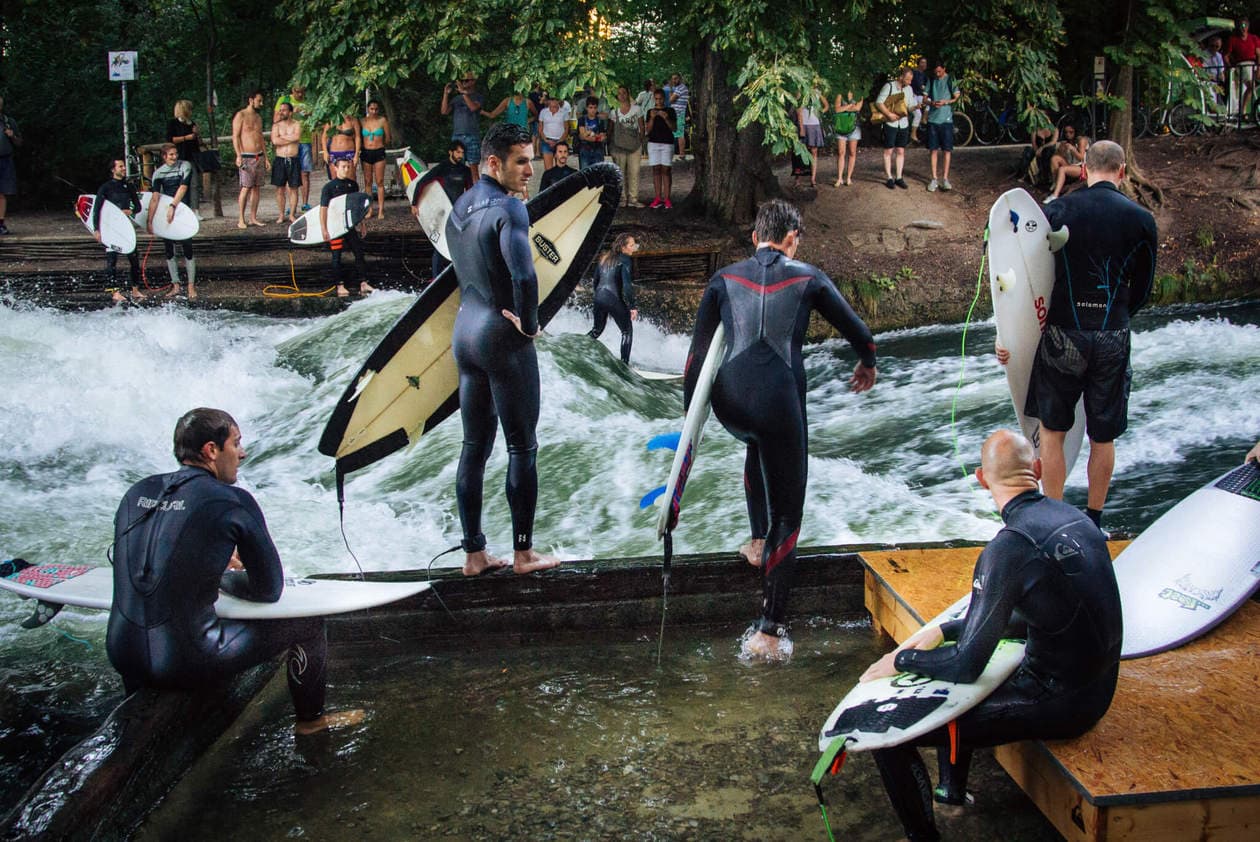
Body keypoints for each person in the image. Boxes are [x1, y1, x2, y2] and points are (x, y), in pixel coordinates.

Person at [860, 429, 1121, 842]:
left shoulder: (1008, 547)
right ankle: (951, 791)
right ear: (1037, 470)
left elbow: (966, 666)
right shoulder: (1075, 519)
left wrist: (901, 659)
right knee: (964, 663)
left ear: (981, 479)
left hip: (1062, 703)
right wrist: (943, 631)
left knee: (886, 735)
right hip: (1099, 687)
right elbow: (1026, 619)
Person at [685, 199, 877, 660]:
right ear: (792, 240)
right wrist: (867, 363)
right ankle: (769, 631)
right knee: (789, 516)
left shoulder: (723, 278)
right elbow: (861, 333)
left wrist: (691, 421)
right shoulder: (808, 276)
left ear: (754, 238)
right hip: (778, 401)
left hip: (730, 401)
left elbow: (695, 360)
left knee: (756, 444)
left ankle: (756, 542)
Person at [107, 407, 365, 736]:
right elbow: (268, 589)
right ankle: (312, 722)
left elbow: (146, 564)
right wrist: (225, 578)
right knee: (309, 624)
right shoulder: (232, 500)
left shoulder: (136, 492)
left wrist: (208, 565)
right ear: (211, 451)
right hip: (185, 659)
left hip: (122, 652)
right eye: (236, 443)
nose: (242, 454)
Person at [998, 141, 1157, 529]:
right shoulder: (1141, 219)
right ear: (1122, 172)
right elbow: (1144, 288)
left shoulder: (1058, 211)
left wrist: (1010, 334)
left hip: (1063, 335)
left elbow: (1028, 278)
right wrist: (1116, 315)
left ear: (1083, 169)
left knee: (1053, 433)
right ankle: (1095, 520)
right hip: (1112, 336)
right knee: (1103, 437)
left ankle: (1053, 521)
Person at [444, 122, 561, 577]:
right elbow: (525, 276)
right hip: (500, 335)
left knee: (474, 445)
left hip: (464, 335)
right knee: (521, 447)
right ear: (494, 163)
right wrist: (529, 326)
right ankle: (523, 554)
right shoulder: (510, 209)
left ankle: (473, 555)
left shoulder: (458, 208)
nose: (530, 170)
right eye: (521, 161)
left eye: (531, 159)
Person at [412, 140, 473, 278]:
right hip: (443, 212)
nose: (460, 155)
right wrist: (414, 204)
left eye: (462, 153)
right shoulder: (442, 168)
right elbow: (422, 183)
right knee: (441, 244)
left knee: (461, 243)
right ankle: (435, 277)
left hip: (459, 212)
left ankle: (460, 275)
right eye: (458, 152)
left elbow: (470, 191)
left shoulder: (465, 171)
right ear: (450, 152)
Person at [320, 156, 375, 298]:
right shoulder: (329, 187)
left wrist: (362, 224)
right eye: (343, 167)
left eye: (348, 167)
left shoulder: (353, 185)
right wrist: (324, 229)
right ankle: (340, 285)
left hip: (349, 226)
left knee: (359, 251)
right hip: (335, 228)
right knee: (336, 256)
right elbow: (323, 209)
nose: (346, 169)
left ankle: (363, 283)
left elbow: (358, 208)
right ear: (335, 167)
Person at [147, 144, 197, 299]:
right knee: (169, 250)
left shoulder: (185, 166)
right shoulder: (158, 173)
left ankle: (190, 286)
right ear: (164, 156)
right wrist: (150, 221)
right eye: (171, 155)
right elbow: (155, 197)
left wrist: (173, 206)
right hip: (167, 213)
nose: (174, 157)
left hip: (182, 211)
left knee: (187, 248)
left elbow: (183, 188)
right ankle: (176, 285)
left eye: (176, 154)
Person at [93, 159, 143, 303]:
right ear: (113, 170)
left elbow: (138, 207)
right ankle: (115, 292)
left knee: (134, 259)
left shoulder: (129, 186)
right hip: (111, 228)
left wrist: (131, 210)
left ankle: (135, 289)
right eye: (120, 166)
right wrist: (97, 229)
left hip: (126, 227)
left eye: (123, 166)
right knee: (112, 260)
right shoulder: (105, 188)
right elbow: (97, 210)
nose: (123, 168)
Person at [587, 233, 640, 364]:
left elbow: (595, 281)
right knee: (627, 331)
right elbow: (627, 285)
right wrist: (632, 306)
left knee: (596, 330)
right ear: (623, 247)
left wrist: (600, 298)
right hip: (612, 297)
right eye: (632, 245)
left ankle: (577, 349)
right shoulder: (625, 260)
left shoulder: (604, 257)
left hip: (599, 296)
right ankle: (624, 365)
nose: (634, 248)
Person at [875, 67, 919, 189]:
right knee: (888, 150)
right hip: (890, 123)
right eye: (908, 80)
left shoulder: (909, 89)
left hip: (903, 123)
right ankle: (889, 177)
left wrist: (916, 107)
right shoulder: (889, 86)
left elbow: (909, 107)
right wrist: (889, 114)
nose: (910, 82)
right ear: (901, 77)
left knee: (901, 151)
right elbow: (879, 102)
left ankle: (899, 177)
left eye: (911, 80)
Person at [231, 90, 268, 229]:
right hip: (246, 156)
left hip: (259, 155)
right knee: (246, 187)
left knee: (257, 188)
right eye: (259, 100)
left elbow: (261, 138)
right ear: (251, 100)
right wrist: (238, 155)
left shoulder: (258, 117)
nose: (261, 103)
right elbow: (235, 136)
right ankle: (241, 218)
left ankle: (253, 217)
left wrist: (266, 157)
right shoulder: (240, 115)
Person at [275, 84, 314, 210]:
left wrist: (310, 114)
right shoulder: (284, 100)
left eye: (303, 92)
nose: (300, 94)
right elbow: (275, 119)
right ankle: (290, 207)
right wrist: (292, 112)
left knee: (305, 173)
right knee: (289, 173)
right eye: (297, 92)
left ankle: (305, 204)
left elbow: (316, 120)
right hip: (289, 142)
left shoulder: (308, 102)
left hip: (305, 139)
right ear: (292, 90)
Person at [923, 61, 960, 192]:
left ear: (944, 69)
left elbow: (956, 97)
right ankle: (934, 178)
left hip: (946, 120)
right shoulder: (932, 80)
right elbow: (924, 98)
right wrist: (932, 102)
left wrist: (945, 102)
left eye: (940, 71)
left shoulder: (951, 80)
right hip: (933, 119)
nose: (938, 74)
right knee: (933, 150)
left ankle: (945, 178)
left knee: (947, 150)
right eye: (936, 72)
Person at [443, 73, 485, 182]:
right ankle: (460, 197)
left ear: (473, 81)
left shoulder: (478, 96)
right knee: (457, 170)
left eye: (466, 81)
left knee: (473, 171)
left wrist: (463, 93)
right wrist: (446, 94)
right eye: (462, 81)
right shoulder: (456, 99)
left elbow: (473, 108)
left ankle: (477, 197)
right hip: (457, 136)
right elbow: (444, 111)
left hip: (472, 136)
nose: (463, 83)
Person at [608, 85, 645, 207]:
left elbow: (641, 126)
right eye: (619, 93)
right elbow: (610, 129)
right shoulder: (614, 111)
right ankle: (622, 199)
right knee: (620, 173)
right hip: (618, 146)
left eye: (624, 92)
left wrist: (640, 141)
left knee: (634, 172)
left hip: (634, 145)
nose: (622, 95)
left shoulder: (637, 109)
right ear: (616, 96)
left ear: (628, 93)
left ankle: (633, 199)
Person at [269, 102, 302, 224]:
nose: (281, 112)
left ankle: (292, 214)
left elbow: (297, 137)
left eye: (284, 110)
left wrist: (282, 138)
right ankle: (281, 214)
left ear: (290, 112)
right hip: (280, 159)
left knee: (294, 188)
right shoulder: (276, 126)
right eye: (280, 110)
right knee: (279, 188)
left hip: (293, 158)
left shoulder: (297, 124)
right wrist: (289, 137)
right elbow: (275, 141)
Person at [167, 99, 201, 217]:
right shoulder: (173, 123)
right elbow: (171, 139)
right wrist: (187, 137)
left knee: (194, 183)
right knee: (179, 184)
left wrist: (197, 134)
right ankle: (179, 207)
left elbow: (198, 141)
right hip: (178, 157)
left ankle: (195, 209)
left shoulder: (192, 123)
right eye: (189, 109)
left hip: (192, 157)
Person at [1042, 123, 1089, 203]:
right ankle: (1055, 183)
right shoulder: (1066, 142)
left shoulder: (1081, 140)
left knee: (1062, 169)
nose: (1068, 135)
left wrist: (1073, 150)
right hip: (1071, 165)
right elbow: (1061, 157)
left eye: (1071, 132)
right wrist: (1061, 150)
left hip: (1083, 167)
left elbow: (1082, 158)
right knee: (1054, 158)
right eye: (1066, 132)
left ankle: (1055, 195)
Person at [360, 99, 391, 219]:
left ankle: (381, 209)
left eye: (376, 109)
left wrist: (380, 145)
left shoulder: (382, 121)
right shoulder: (362, 121)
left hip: (378, 152)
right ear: (368, 109)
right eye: (371, 109)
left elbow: (388, 138)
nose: (374, 111)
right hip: (366, 152)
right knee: (368, 181)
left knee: (380, 181)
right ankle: (370, 209)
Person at [645, 90, 676, 208]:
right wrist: (652, 118)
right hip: (653, 143)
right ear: (654, 99)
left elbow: (674, 128)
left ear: (664, 99)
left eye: (660, 99)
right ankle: (658, 197)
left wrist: (667, 118)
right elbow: (648, 130)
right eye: (656, 99)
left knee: (666, 170)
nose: (658, 101)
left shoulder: (670, 111)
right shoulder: (650, 112)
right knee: (656, 170)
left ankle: (667, 198)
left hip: (667, 143)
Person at [1225, 17, 1259, 118]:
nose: (1242, 28)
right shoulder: (1233, 39)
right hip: (1242, 64)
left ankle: (1249, 110)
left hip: (1254, 64)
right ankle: (1243, 110)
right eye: (1241, 26)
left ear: (1248, 27)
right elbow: (1226, 55)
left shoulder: (1254, 38)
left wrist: (1259, 68)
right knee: (1251, 86)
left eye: (1244, 26)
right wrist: (1230, 66)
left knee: (1253, 87)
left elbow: (1258, 54)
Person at [832, 89, 862, 187]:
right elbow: (836, 109)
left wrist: (843, 108)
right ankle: (839, 178)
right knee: (841, 152)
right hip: (841, 127)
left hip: (854, 127)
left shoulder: (859, 94)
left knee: (852, 152)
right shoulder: (840, 94)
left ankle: (848, 178)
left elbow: (857, 108)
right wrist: (850, 106)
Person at [796, 93, 827, 189]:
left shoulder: (817, 92)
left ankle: (813, 179)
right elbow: (798, 110)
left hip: (815, 125)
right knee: (800, 153)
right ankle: (798, 180)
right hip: (804, 124)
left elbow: (826, 105)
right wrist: (801, 128)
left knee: (814, 152)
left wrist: (820, 112)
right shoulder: (800, 91)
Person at [321, 108, 361, 179]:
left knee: (350, 179)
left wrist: (356, 154)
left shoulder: (353, 120)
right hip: (334, 153)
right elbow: (324, 137)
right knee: (335, 180)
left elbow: (357, 137)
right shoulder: (332, 120)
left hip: (349, 152)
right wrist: (325, 152)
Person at [0, 94, 19, 234]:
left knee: (2, 193)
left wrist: (12, 135)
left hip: (5, 159)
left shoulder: (8, 121)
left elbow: (20, 143)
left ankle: (1, 224)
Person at [537, 96, 569, 172]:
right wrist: (545, 139)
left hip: (560, 141)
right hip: (547, 141)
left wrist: (559, 142)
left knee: (561, 167)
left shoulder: (564, 112)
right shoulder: (543, 112)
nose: (553, 104)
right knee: (548, 170)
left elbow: (566, 128)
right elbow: (540, 128)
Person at [576, 96, 608, 170]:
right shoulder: (582, 120)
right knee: (585, 174)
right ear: (587, 108)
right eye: (590, 107)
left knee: (598, 174)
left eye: (594, 108)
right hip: (584, 150)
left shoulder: (600, 121)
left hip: (598, 150)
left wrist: (589, 134)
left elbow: (602, 137)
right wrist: (595, 136)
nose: (593, 110)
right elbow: (582, 135)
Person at [668, 73, 689, 159]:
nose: (674, 80)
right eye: (673, 79)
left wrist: (671, 94)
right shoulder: (677, 88)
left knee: (680, 134)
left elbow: (671, 100)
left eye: (676, 78)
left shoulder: (681, 88)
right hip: (676, 113)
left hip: (679, 113)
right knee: (675, 134)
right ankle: (678, 153)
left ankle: (682, 154)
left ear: (680, 78)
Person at [910, 56, 929, 137]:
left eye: (925, 63)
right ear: (918, 63)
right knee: (918, 114)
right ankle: (913, 134)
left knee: (929, 101)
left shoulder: (924, 74)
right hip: (913, 96)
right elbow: (918, 85)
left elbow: (926, 86)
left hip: (920, 96)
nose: (924, 64)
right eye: (922, 62)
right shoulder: (914, 73)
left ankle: (924, 119)